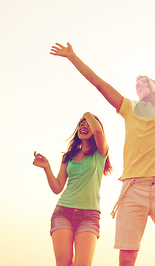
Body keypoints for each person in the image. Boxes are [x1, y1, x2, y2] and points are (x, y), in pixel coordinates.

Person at [50, 31, 155, 266]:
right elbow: (99, 83)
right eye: (137, 84)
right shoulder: (128, 108)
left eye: (145, 82)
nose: (140, 85)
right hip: (132, 188)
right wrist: (72, 56)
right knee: (127, 257)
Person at [33, 112, 112, 266]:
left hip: (89, 216)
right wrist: (47, 168)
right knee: (64, 262)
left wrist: (87, 114)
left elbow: (98, 131)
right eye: (81, 124)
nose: (84, 126)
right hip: (63, 212)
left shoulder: (100, 153)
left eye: (88, 124)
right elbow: (57, 188)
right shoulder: (68, 156)